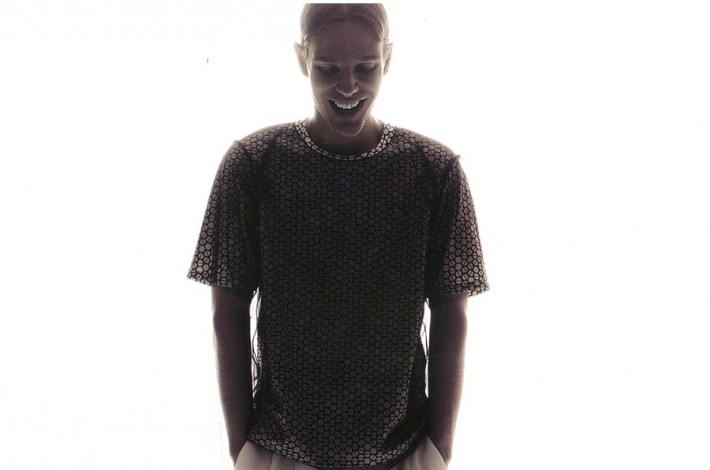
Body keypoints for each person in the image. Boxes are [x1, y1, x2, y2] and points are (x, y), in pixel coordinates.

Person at [187, 4, 489, 469]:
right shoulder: (253, 164)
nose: (348, 87)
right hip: (279, 450)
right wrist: (240, 447)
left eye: (366, 68)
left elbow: (452, 311)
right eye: (328, 69)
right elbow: (227, 309)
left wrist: (439, 449)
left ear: (388, 57)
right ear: (301, 58)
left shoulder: (434, 171)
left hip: (404, 452)